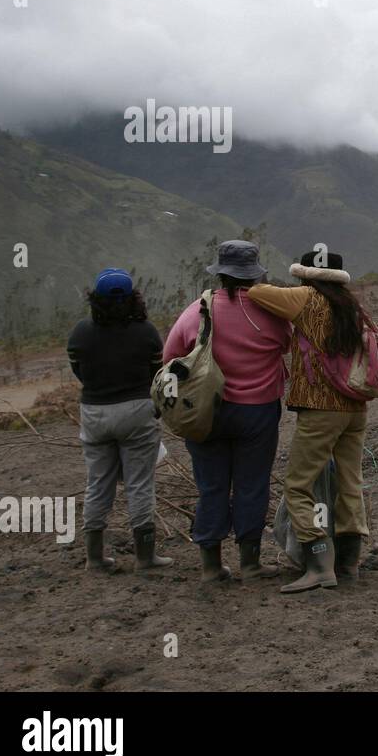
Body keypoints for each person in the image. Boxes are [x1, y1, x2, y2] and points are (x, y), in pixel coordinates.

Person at [163, 240, 290, 582]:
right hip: (258, 413)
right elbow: (287, 345)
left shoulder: (197, 310)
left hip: (206, 414)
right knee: (252, 484)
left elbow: (170, 357)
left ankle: (211, 566)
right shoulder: (272, 312)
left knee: (212, 486)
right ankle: (250, 563)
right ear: (254, 273)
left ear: (220, 274)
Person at [249, 250, 370, 593]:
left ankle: (319, 563)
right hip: (356, 407)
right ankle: (349, 563)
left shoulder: (306, 299)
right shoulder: (352, 307)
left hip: (320, 408)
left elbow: (258, 293)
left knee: (299, 485)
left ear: (306, 276)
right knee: (349, 482)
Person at [67, 268, 171, 572]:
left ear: (95, 299)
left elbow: (79, 373)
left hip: (95, 413)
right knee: (139, 484)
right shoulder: (147, 332)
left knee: (98, 484)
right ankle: (145, 557)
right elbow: (156, 375)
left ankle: (95, 558)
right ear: (133, 299)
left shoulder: (80, 334)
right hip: (138, 411)